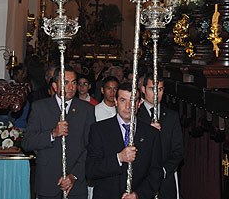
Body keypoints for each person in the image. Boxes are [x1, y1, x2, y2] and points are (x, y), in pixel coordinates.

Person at [22, 68, 96, 199]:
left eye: (73, 82)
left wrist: (74, 175)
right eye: (66, 82)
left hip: (76, 184)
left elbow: (90, 147)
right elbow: (27, 142)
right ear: (55, 86)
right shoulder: (40, 107)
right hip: (48, 182)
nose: (71, 87)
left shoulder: (87, 109)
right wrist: (52, 134)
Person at [86, 82, 162, 199]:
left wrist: (138, 195)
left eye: (132, 101)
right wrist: (119, 158)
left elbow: (156, 173)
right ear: (115, 101)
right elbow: (91, 170)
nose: (128, 106)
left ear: (139, 103)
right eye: (122, 100)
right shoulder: (99, 129)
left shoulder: (151, 134)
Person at [138, 73, 184, 199]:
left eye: (160, 89)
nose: (156, 93)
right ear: (143, 89)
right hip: (141, 181)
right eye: (152, 89)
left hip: (166, 180)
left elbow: (178, 151)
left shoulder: (171, 117)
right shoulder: (135, 115)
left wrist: (163, 171)